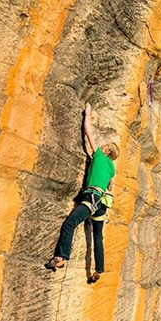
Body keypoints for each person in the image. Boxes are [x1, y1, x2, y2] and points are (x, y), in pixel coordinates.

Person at [46, 103, 119, 282]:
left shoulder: (99, 156)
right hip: (102, 203)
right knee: (97, 237)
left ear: (106, 151)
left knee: (69, 224)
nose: (102, 146)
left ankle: (61, 257)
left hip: (91, 197)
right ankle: (99, 270)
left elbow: (88, 132)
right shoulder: (112, 168)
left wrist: (87, 114)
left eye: (105, 146)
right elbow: (111, 188)